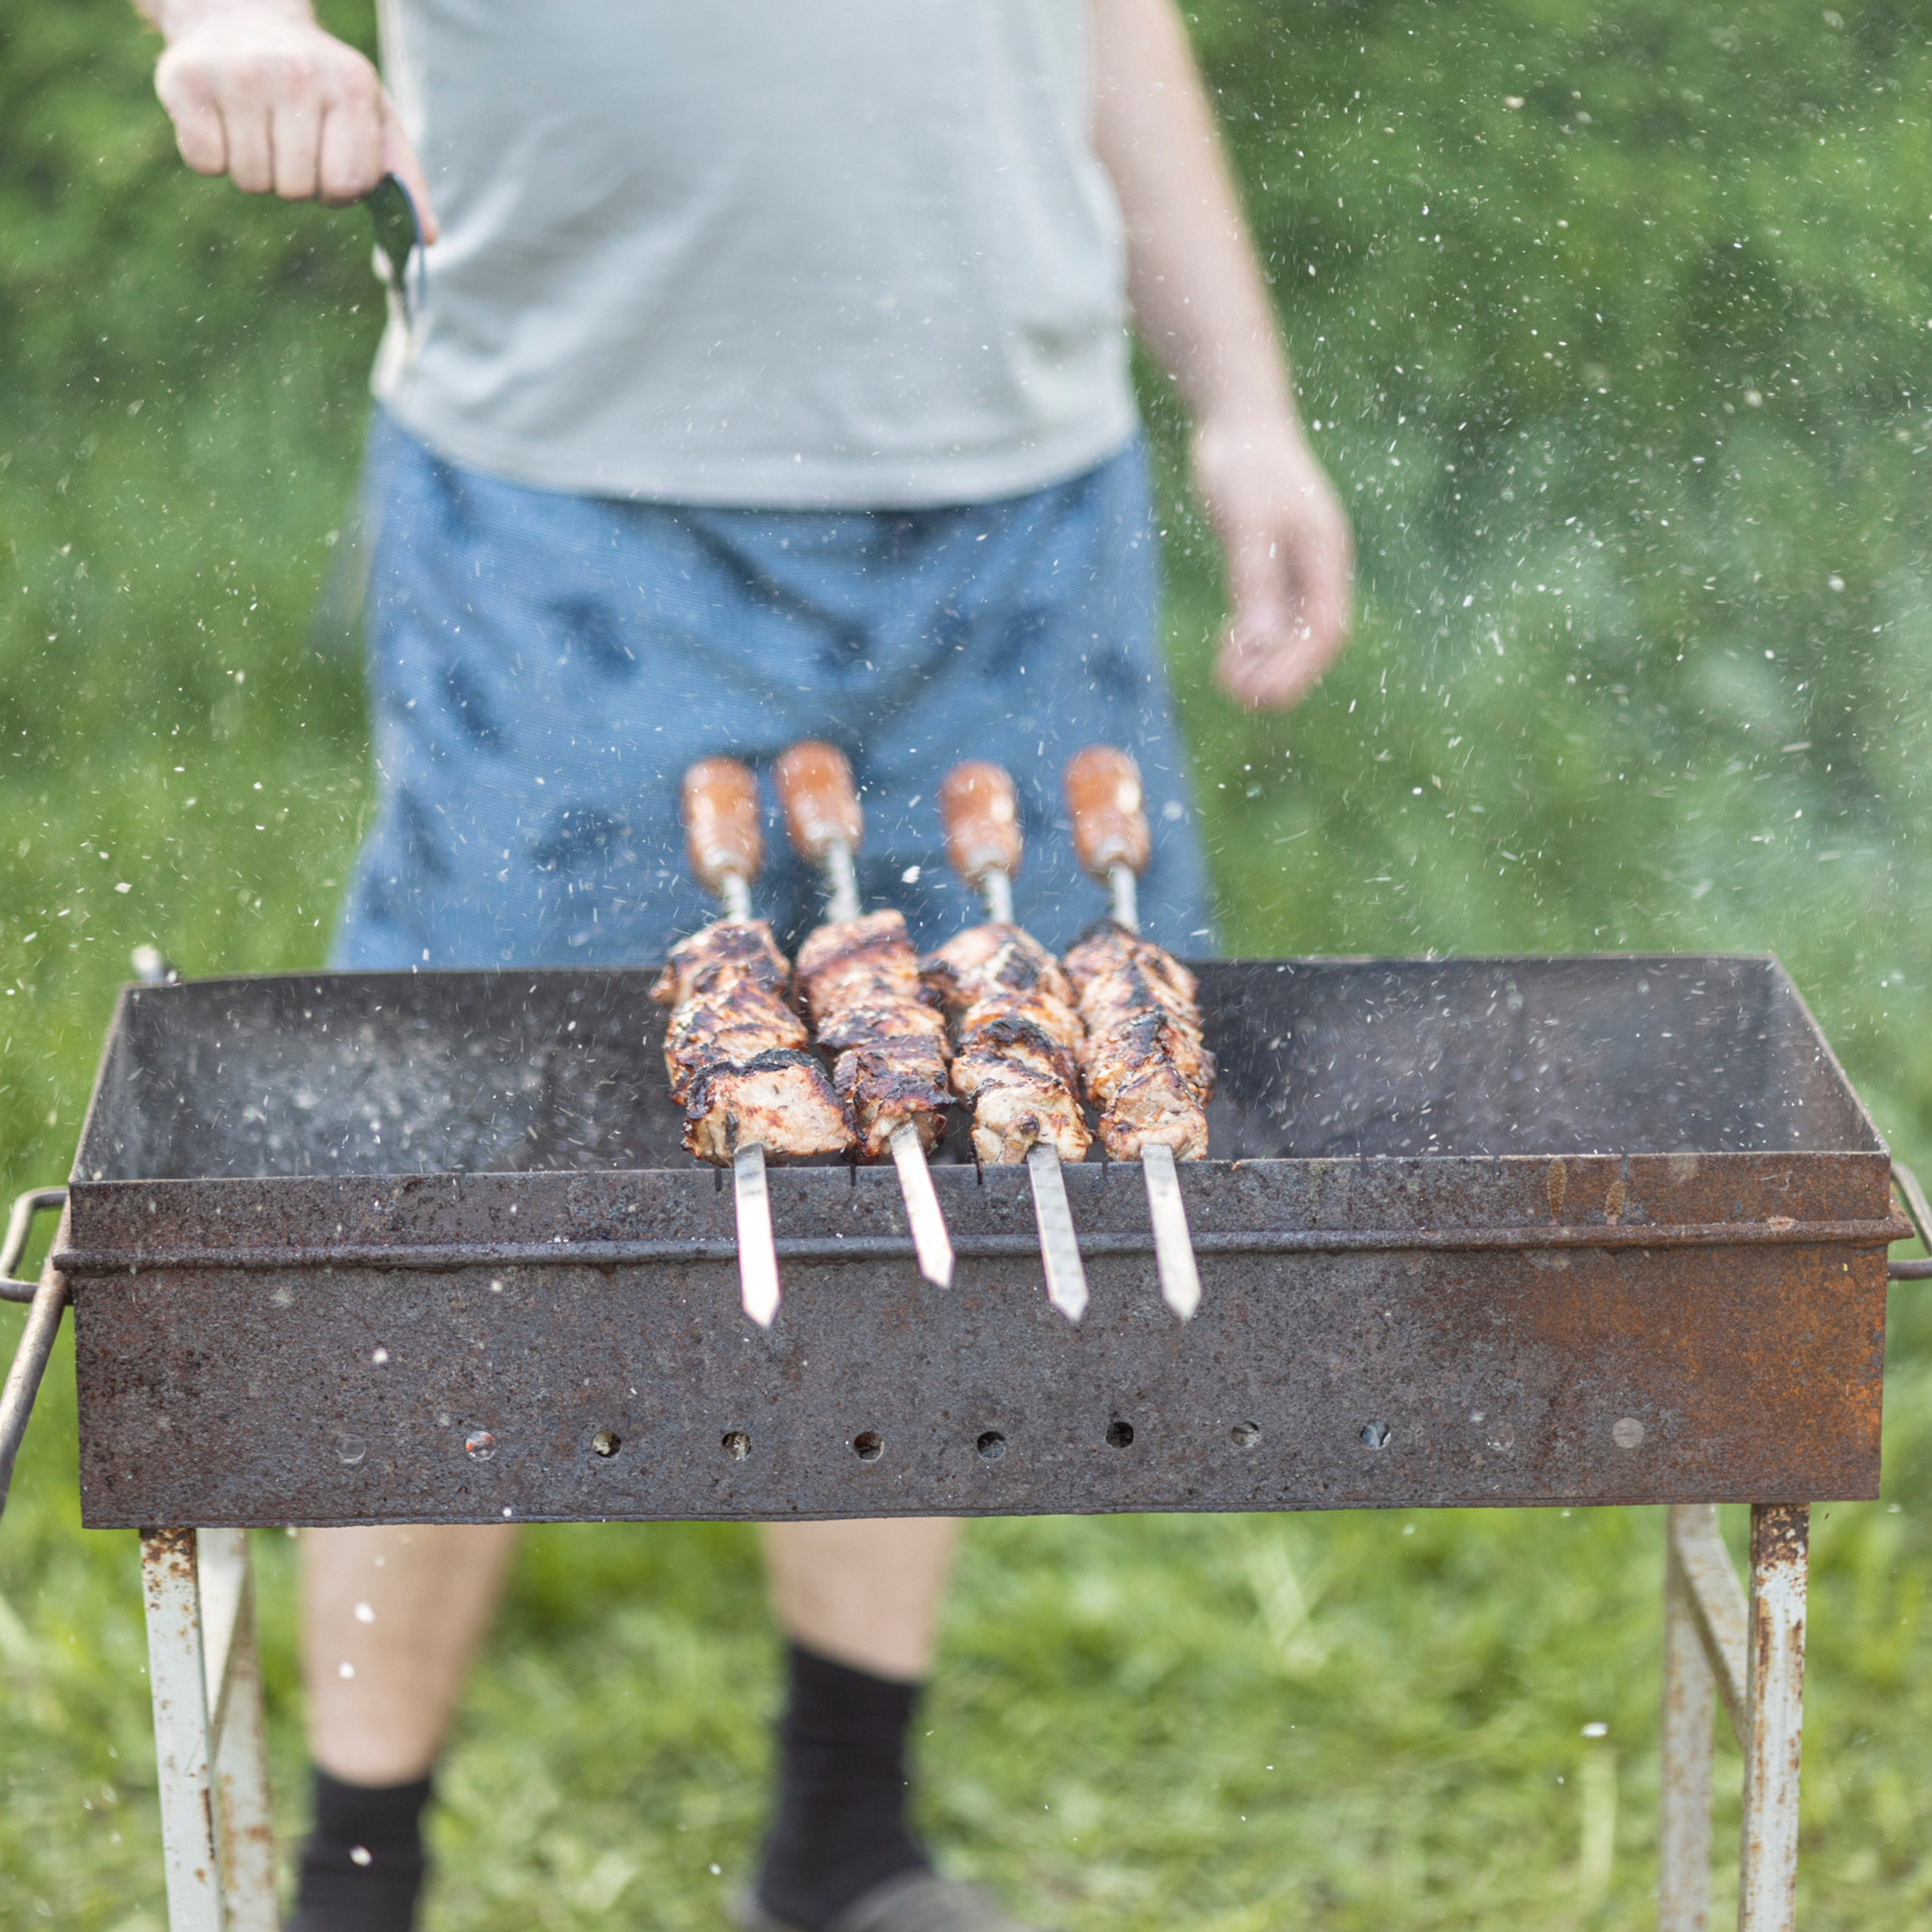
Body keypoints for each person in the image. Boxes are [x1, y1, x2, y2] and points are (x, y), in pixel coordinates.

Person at [133, 3, 1354, 1928]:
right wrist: (231, 23)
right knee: (469, 1181)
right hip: (571, 498)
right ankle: (355, 1879)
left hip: (1014, 500)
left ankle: (844, 1841)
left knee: (961, 1130)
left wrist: (1243, 400)